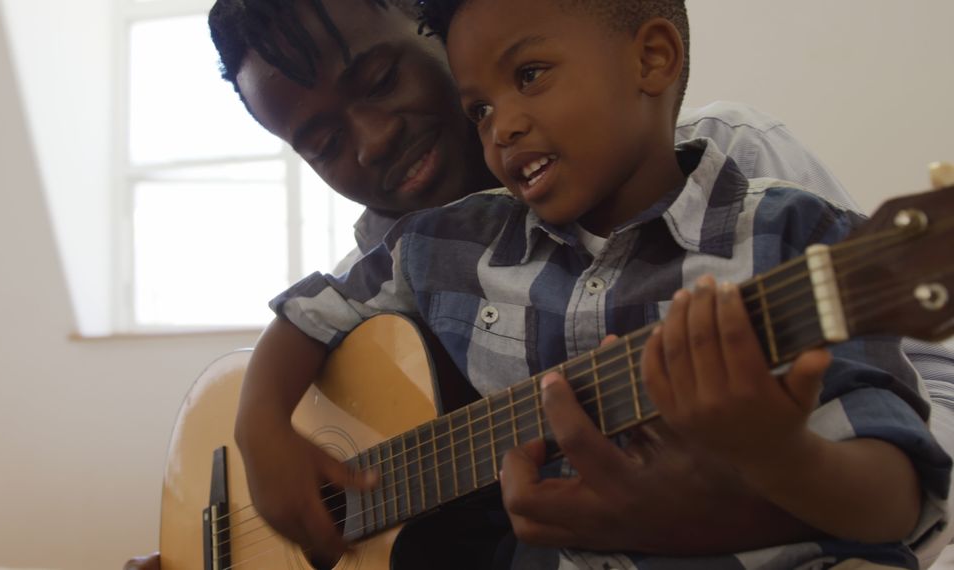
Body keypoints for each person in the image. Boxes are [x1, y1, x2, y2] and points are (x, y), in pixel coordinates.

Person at [125, 0, 954, 568]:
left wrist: (746, 502)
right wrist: (257, 436)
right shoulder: (405, 258)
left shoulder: (742, 188)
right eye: (318, 141)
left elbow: (922, 411)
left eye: (379, 82)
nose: (370, 140)